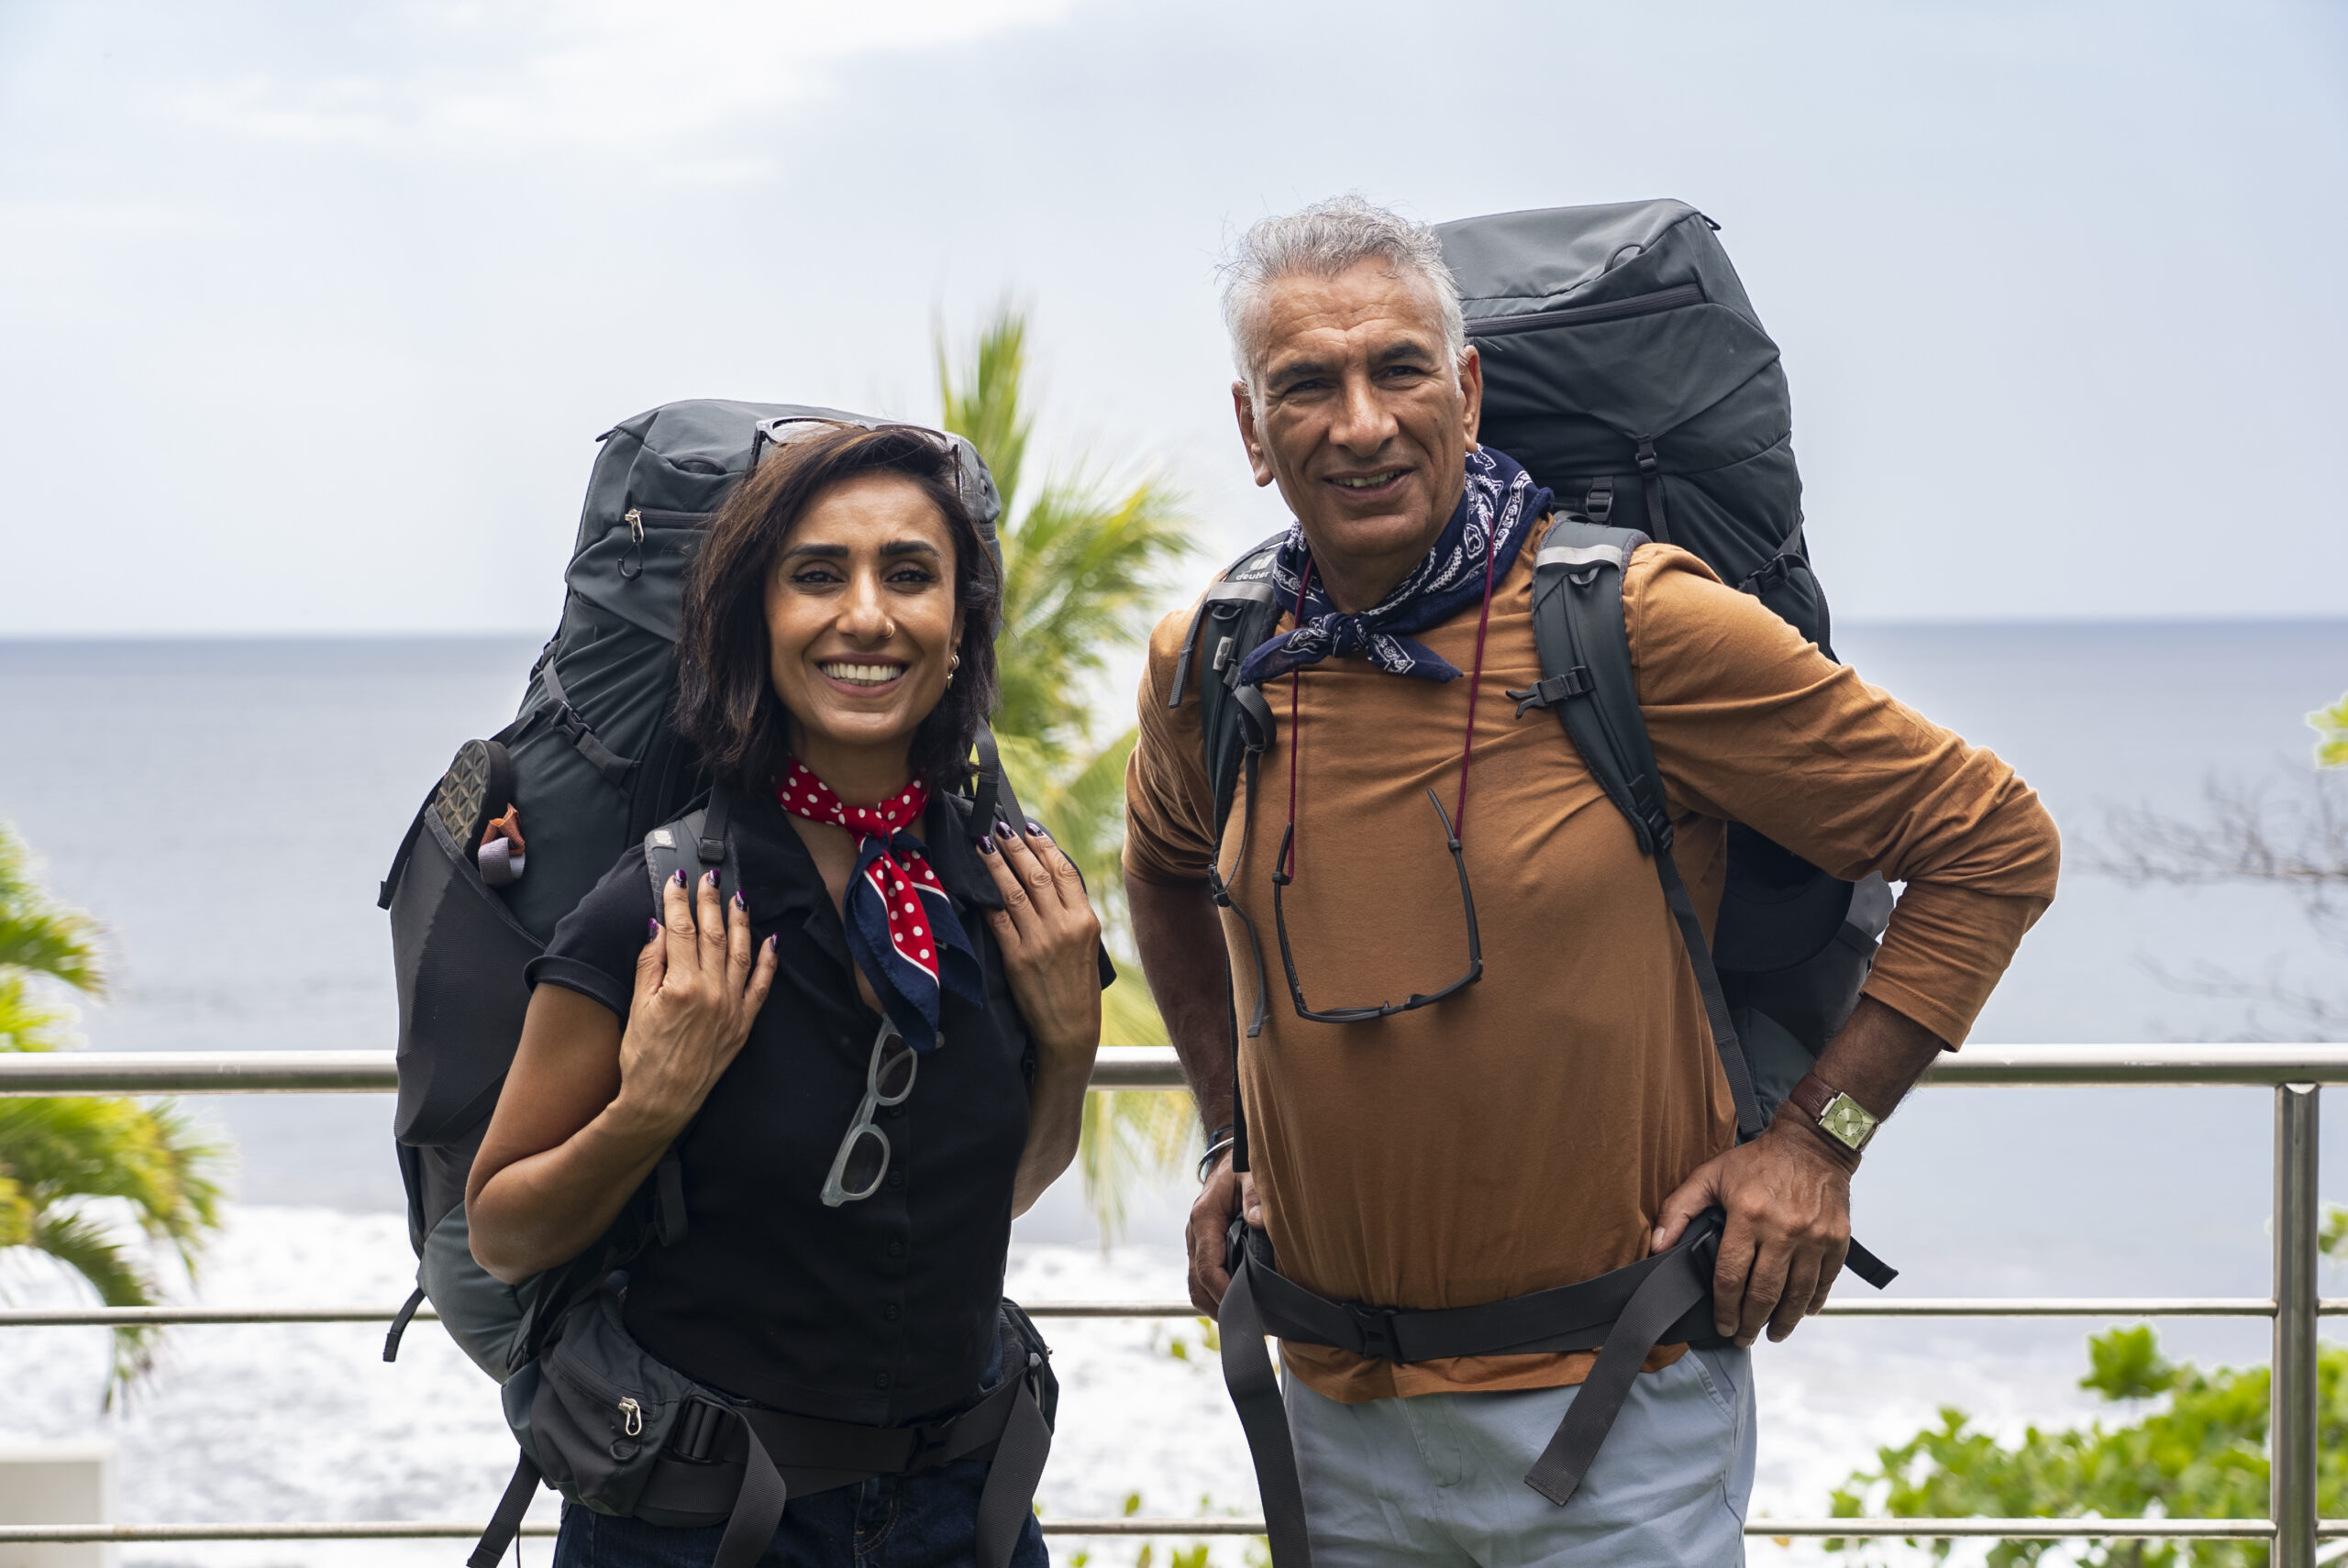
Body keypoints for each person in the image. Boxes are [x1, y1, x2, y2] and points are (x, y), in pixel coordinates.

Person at [1124, 198, 2062, 1566]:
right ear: (1253, 432)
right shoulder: (1216, 658)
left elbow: (1992, 839)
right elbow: (1160, 869)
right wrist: (1228, 1134)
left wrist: (1817, 1139)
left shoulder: (1632, 622)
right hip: (1330, 1417)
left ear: (1470, 389)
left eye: (1399, 368)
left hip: (1617, 1416)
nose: (1364, 422)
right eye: (1307, 386)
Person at [467, 423, 1108, 1568]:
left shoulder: (1004, 889)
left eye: (909, 574)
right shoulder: (662, 902)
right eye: (817, 575)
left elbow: (983, 1201)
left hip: (967, 1513)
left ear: (959, 628)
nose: (866, 615)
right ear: (755, 624)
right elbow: (504, 1232)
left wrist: (1064, 1049)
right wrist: (649, 1106)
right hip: (698, 1524)